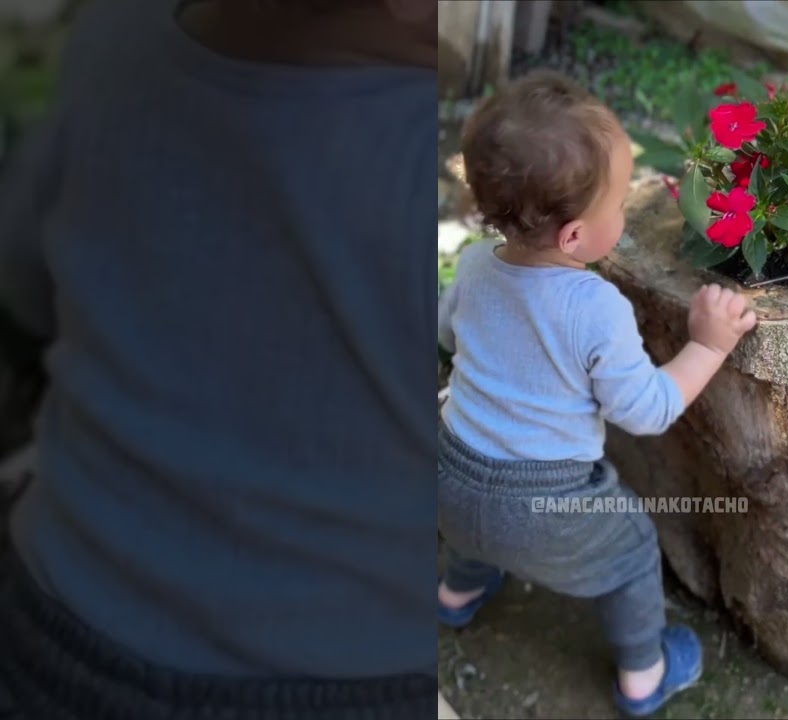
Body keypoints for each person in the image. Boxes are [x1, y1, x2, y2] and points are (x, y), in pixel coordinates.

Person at [0, 1, 441, 718]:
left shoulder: (115, 36)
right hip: (346, 686)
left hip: (55, 641)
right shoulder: (423, 168)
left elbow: (27, 284)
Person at [434, 69, 760, 718]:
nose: (626, 208)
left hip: (449, 472)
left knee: (472, 529)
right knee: (633, 551)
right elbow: (646, 409)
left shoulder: (474, 265)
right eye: (617, 203)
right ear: (575, 237)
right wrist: (709, 346)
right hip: (543, 503)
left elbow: (447, 331)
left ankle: (453, 596)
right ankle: (645, 675)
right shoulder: (596, 307)